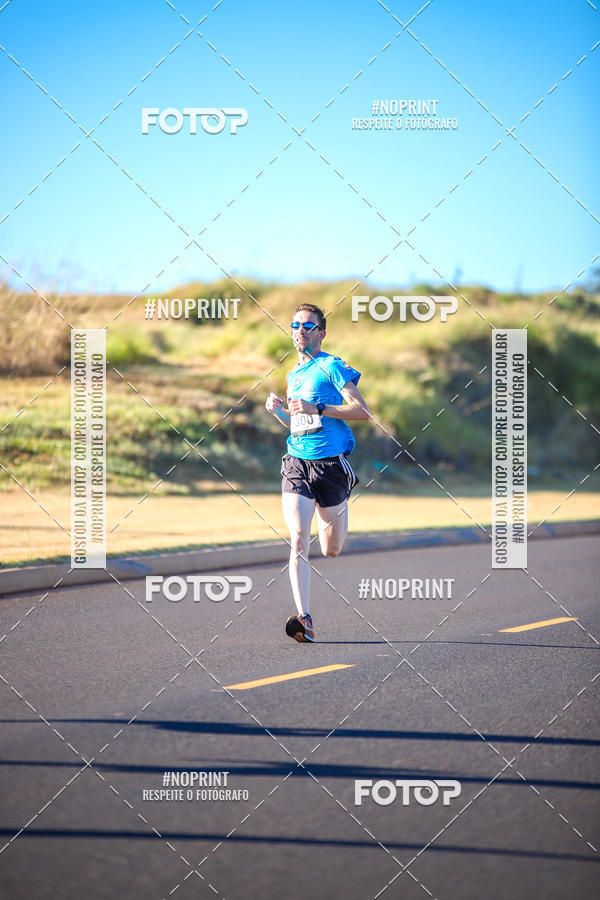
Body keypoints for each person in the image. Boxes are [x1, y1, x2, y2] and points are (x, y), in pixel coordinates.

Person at [265, 303, 370, 642]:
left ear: (321, 333)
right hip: (297, 462)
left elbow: (362, 411)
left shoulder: (332, 366)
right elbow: (300, 425)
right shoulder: (292, 374)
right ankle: (305, 619)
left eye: (309, 326)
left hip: (331, 468)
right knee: (297, 539)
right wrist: (280, 412)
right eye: (295, 325)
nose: (300, 330)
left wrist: (320, 407)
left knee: (331, 550)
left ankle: (342, 505)